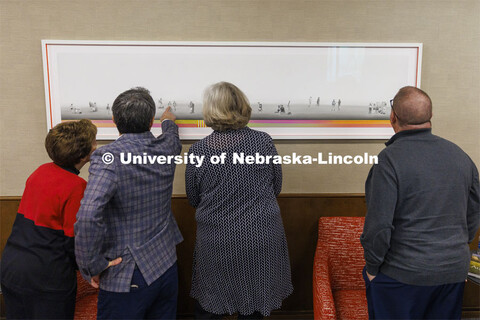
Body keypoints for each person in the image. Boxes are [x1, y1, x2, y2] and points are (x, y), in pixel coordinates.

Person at [361, 86, 480, 319]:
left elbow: (379, 227)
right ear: (431, 117)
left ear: (392, 117)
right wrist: (455, 250)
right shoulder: (460, 155)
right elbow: (474, 213)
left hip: (402, 275)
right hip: (452, 271)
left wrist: (373, 269)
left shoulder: (388, 160)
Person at [185, 82, 293, 319]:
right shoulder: (263, 142)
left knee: (210, 304)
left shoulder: (198, 151)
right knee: (255, 305)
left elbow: (193, 198)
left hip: (217, 240)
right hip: (261, 236)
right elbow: (276, 186)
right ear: (242, 106)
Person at [74, 87, 183, 319]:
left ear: (114, 120)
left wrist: (91, 266)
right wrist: (168, 122)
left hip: (127, 273)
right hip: (166, 264)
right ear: (151, 120)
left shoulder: (108, 158)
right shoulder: (168, 147)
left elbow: (87, 216)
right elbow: (172, 135)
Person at [0, 119, 98, 319]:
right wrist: (94, 268)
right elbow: (74, 242)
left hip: (12, 268)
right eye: (94, 142)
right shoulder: (76, 186)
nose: (97, 146)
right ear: (83, 154)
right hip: (46, 278)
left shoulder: (40, 171)